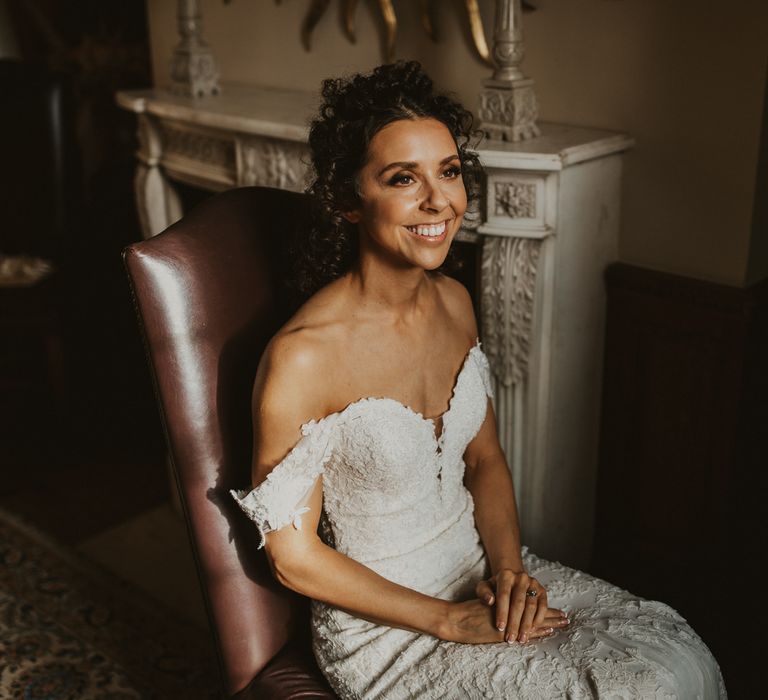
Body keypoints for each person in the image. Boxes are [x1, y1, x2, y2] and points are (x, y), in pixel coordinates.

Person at [232, 61, 726, 699]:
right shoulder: (302, 357)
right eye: (402, 178)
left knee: (675, 663)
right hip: (389, 631)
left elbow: (486, 461)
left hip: (480, 569)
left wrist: (511, 571)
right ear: (348, 202)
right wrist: (448, 620)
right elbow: (291, 556)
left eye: (448, 170)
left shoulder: (457, 303)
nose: (439, 201)